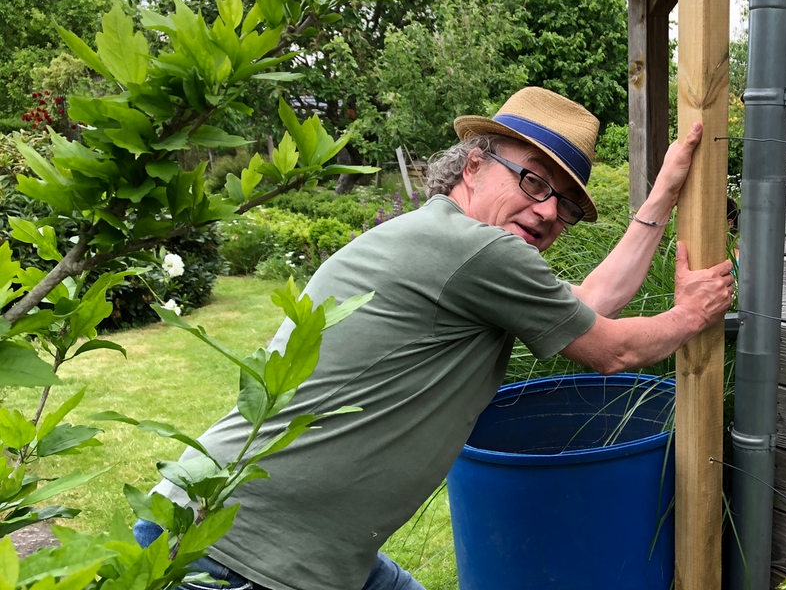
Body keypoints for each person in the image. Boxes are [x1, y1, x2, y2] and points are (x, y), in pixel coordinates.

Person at [136, 86, 736, 590]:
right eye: (533, 181)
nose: (550, 211)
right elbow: (614, 350)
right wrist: (690, 315)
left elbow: (589, 306)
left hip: (276, 536)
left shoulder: (451, 246)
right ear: (473, 164)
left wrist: (661, 196)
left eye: (566, 205)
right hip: (240, 552)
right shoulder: (476, 251)